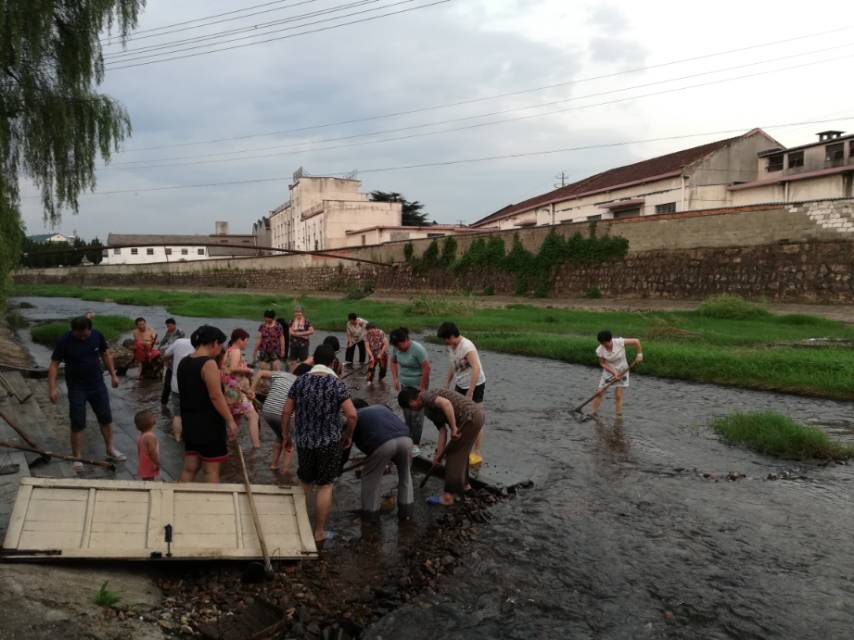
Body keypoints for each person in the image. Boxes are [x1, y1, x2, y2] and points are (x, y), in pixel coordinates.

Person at [282, 344, 357, 545]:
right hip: (329, 442)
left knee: (305, 482)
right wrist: (348, 435)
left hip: (305, 441)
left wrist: (285, 435)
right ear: (333, 362)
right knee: (325, 485)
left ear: (313, 361)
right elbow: (352, 414)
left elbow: (286, 411)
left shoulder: (300, 381)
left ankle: (295, 524)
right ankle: (319, 532)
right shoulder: (336, 384)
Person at [48, 316, 125, 470]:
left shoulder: (97, 335)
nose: (83, 337)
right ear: (73, 330)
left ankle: (110, 449)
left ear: (90, 329)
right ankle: (77, 457)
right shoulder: (64, 341)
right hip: (77, 388)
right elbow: (54, 364)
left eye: (85, 334)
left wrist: (114, 375)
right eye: (79, 334)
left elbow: (105, 354)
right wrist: (52, 388)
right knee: (77, 422)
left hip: (97, 384)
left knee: (105, 418)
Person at [397, 387, 483, 507]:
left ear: (412, 402)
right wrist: (438, 455)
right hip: (473, 417)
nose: (413, 411)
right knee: (462, 454)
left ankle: (448, 497)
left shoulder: (425, 396)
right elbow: (442, 431)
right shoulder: (428, 410)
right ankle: (465, 486)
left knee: (454, 455)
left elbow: (446, 403)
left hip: (470, 418)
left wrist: (453, 428)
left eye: (410, 408)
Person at [177, 325, 238, 483]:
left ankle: (179, 500)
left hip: (189, 421)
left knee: (190, 467)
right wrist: (230, 420)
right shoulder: (208, 363)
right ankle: (212, 505)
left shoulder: (184, 362)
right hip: (208, 423)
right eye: (221, 345)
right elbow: (216, 396)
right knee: (211, 470)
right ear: (215, 343)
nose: (221, 349)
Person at [350, 398, 414, 520]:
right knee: (406, 475)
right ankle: (406, 513)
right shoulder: (381, 407)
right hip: (406, 439)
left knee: (371, 478)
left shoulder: (354, 416)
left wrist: (338, 467)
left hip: (383, 444)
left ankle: (371, 516)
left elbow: (346, 446)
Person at [437, 322, 486, 466]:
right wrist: (447, 382)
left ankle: (476, 452)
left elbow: (476, 368)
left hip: (475, 384)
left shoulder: (467, 346)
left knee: (476, 418)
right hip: (460, 384)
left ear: (452, 336)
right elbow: (453, 365)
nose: (445, 342)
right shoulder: (451, 347)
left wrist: (470, 391)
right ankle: (463, 448)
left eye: (446, 339)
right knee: (460, 417)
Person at [389, 327, 431, 455]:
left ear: (406, 340)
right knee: (407, 412)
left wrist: (422, 388)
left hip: (418, 385)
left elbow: (427, 368)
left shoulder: (418, 349)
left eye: (400, 346)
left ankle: (416, 444)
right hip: (404, 384)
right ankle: (408, 439)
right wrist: (395, 378)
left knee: (417, 415)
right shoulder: (396, 348)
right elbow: (393, 362)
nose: (398, 349)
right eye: (396, 347)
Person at [222, 328, 261, 448]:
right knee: (253, 416)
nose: (246, 343)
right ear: (239, 340)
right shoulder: (236, 351)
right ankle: (256, 446)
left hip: (230, 391)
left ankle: (229, 445)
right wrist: (248, 369)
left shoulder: (228, 351)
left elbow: (227, 370)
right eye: (246, 341)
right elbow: (233, 368)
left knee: (235, 421)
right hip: (236, 392)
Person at [590, 330, 643, 417]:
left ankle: (618, 416)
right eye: (603, 343)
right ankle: (592, 413)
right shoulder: (600, 350)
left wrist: (639, 354)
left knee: (618, 395)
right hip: (609, 371)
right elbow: (602, 363)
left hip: (623, 371)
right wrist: (613, 372)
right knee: (599, 393)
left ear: (611, 339)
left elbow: (636, 341)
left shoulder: (619, 342)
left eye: (607, 342)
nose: (606, 345)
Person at [257, 369, 298, 473]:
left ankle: (274, 465)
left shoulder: (282, 373)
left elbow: (261, 372)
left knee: (280, 436)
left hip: (267, 411)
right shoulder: (300, 381)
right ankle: (285, 471)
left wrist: (252, 389)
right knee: (289, 441)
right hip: (282, 413)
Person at [163, 336, 194, 441]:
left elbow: (166, 355)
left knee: (177, 414)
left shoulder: (178, 342)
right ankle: (191, 436)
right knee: (192, 411)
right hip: (193, 386)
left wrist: (168, 363)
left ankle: (177, 437)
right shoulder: (201, 346)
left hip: (176, 385)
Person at [158, 318, 185, 405]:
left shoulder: (180, 332)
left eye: (169, 326)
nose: (168, 327)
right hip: (170, 358)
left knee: (178, 383)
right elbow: (163, 342)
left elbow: (179, 345)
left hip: (177, 357)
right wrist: (159, 349)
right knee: (167, 383)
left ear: (174, 325)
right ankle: (164, 403)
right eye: (167, 326)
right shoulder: (168, 332)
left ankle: (180, 401)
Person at [135, 409, 160, 481]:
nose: (154, 417)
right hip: (150, 464)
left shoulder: (141, 436)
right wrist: (156, 462)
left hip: (143, 463)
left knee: (146, 480)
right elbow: (152, 452)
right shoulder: (150, 436)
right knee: (150, 481)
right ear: (151, 422)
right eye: (153, 416)